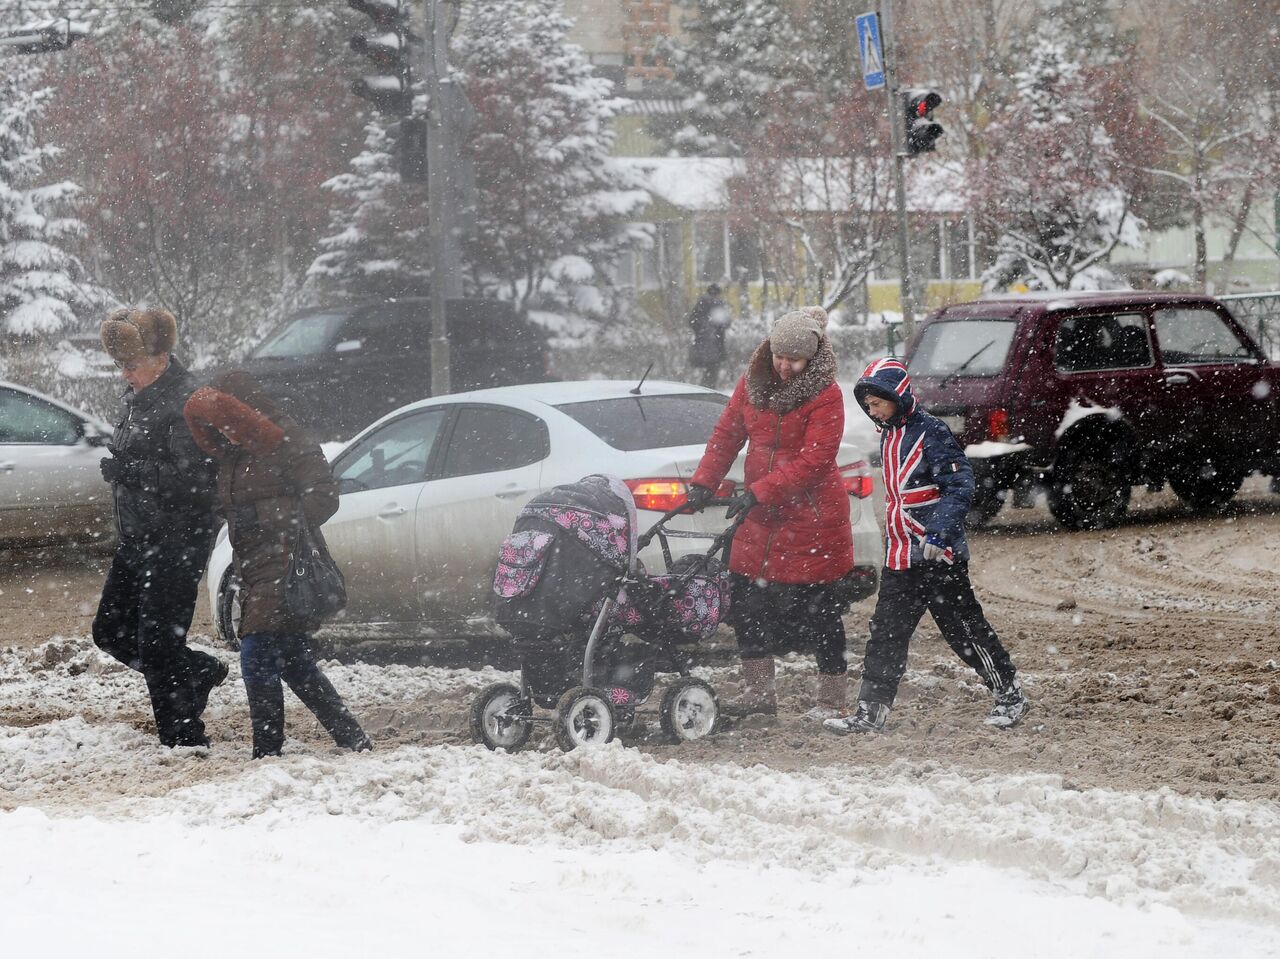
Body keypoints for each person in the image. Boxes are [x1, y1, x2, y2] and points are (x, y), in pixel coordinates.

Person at [824, 358, 1030, 735]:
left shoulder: (932, 432)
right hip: (901, 558)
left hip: (939, 557)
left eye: (878, 403)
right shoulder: (887, 436)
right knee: (886, 632)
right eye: (868, 405)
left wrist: (938, 532)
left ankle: (1009, 693)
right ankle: (872, 710)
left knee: (964, 630)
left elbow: (959, 485)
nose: (873, 411)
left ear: (898, 396)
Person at [183, 372, 370, 758]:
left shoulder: (288, 441)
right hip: (251, 565)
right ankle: (352, 739)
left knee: (256, 654)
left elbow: (324, 498)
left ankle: (267, 752)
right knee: (294, 661)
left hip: (285, 563)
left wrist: (266, 518)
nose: (226, 433)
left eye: (229, 424)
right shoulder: (232, 453)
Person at [684, 306, 855, 721]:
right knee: (747, 605)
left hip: (811, 518)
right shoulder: (752, 384)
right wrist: (705, 480)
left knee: (821, 614)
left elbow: (815, 461)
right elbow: (727, 434)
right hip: (760, 516)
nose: (784, 366)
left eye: (794, 359)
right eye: (780, 356)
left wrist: (761, 490)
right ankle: (759, 694)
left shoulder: (826, 395)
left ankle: (832, 700)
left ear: (811, 359)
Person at [92, 307, 225, 748]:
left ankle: (184, 737)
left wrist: (130, 469)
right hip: (138, 537)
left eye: (130, 364)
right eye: (119, 365)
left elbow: (195, 478)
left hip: (178, 537)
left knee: (157, 644)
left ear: (160, 356)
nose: (124, 373)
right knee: (109, 631)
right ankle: (200, 671)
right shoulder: (139, 398)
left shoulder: (187, 400)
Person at [687, 283, 732, 388]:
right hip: (715, 345)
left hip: (702, 344)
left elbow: (692, 322)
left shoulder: (700, 304)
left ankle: (703, 390)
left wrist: (702, 330)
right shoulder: (717, 303)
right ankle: (709, 392)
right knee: (712, 372)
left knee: (706, 372)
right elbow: (725, 323)